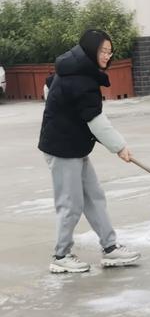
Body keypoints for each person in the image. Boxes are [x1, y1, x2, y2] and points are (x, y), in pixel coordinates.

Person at [38, 29, 141, 273]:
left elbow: (48, 86)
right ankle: (61, 255)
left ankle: (110, 247)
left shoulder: (75, 69)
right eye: (103, 51)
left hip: (74, 145)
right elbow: (96, 120)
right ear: (90, 50)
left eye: (109, 51)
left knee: (94, 197)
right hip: (62, 148)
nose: (107, 55)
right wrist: (120, 147)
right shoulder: (81, 80)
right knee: (70, 203)